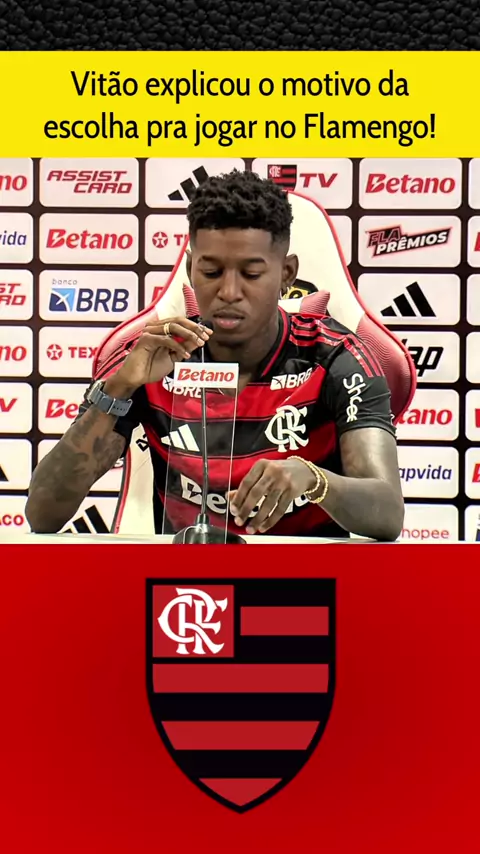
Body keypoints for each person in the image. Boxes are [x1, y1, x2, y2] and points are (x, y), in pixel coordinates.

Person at [26, 169, 404, 541]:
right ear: (191, 268)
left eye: (251, 274)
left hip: (306, 576)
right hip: (185, 576)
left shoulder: (337, 358)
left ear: (287, 273)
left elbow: (387, 513)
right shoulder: (150, 357)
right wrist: (120, 387)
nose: (229, 292)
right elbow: (43, 514)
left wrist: (313, 479)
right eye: (211, 272)